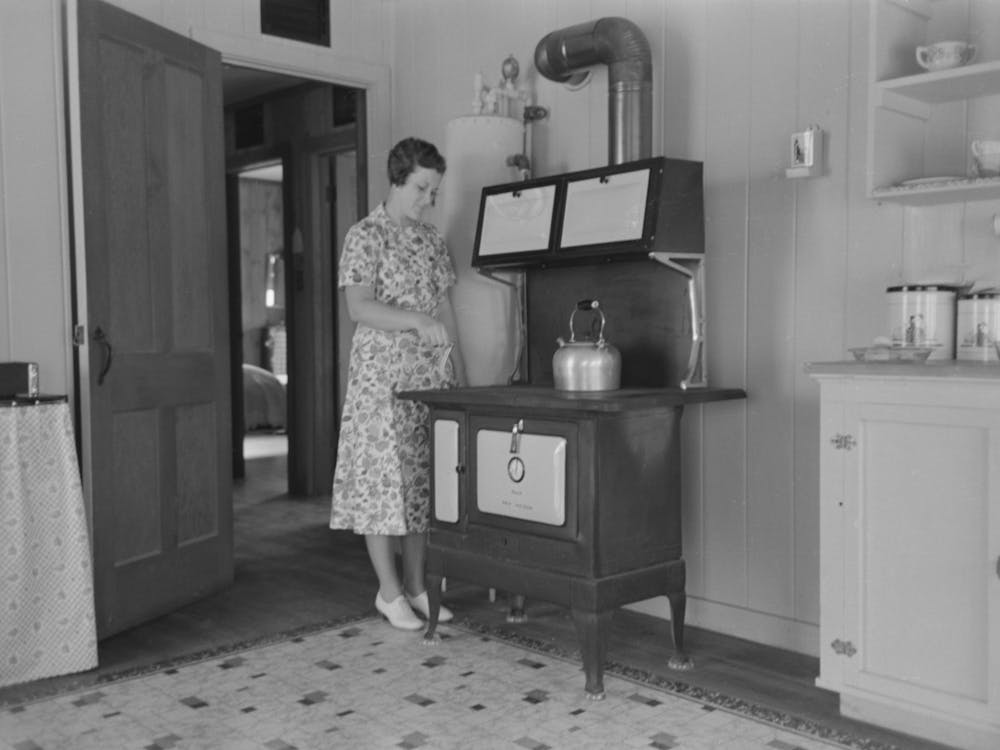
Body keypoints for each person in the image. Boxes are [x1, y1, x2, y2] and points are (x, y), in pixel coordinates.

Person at [331, 137, 466, 631]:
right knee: (384, 487)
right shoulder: (365, 236)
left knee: (421, 488)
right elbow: (359, 307)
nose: (427, 199)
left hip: (429, 378)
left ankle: (418, 588)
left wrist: (459, 373)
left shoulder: (431, 240)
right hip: (381, 380)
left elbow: (446, 310)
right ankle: (389, 594)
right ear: (397, 180)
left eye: (433, 191)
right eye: (420, 188)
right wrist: (413, 320)